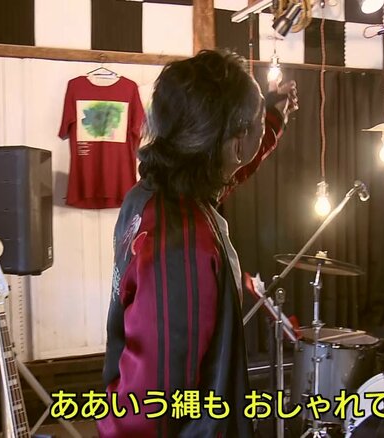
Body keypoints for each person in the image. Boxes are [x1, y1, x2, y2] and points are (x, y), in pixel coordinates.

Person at [98, 50, 298, 437]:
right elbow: (150, 407)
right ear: (236, 142)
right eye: (257, 119)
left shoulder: (152, 195)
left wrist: (271, 119)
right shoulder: (183, 242)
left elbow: (226, 171)